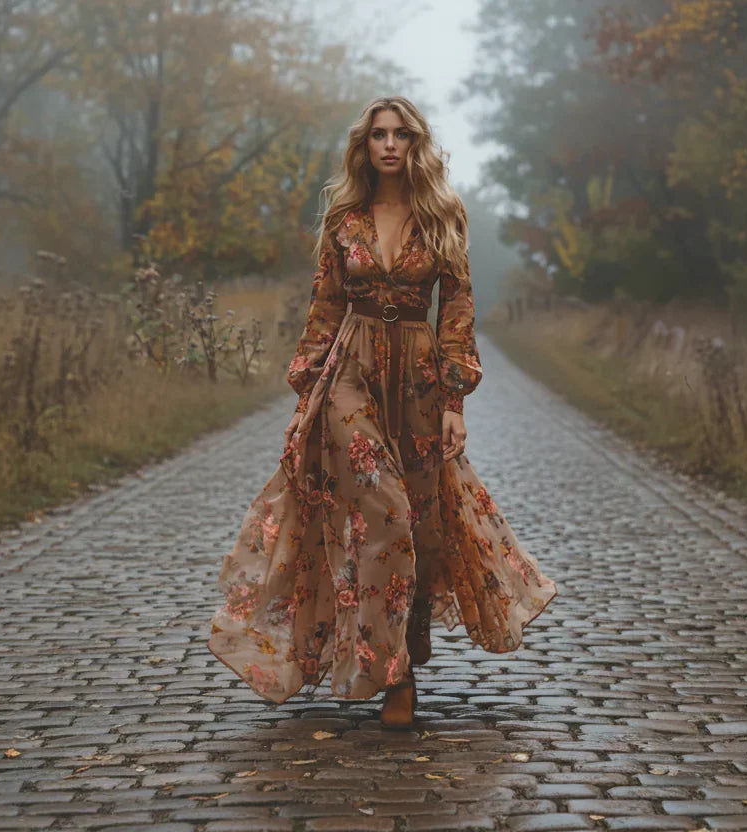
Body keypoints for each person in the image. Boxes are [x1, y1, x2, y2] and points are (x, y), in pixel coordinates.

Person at [207, 96, 557, 729]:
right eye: (378, 135)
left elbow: (457, 310)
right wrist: (306, 391)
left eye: (400, 134)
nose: (389, 144)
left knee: (418, 524)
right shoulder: (345, 218)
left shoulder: (443, 215)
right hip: (351, 370)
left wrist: (454, 401)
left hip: (419, 380)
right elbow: (323, 307)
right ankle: (386, 674)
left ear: (415, 144)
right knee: (384, 509)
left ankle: (400, 670)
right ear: (364, 146)